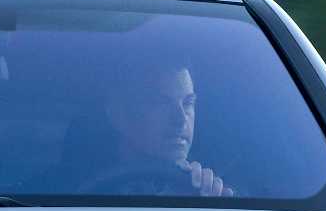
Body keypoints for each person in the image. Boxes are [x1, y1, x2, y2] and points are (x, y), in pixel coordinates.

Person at [79, 63, 233, 196]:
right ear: (118, 114)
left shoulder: (212, 192)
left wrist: (204, 203)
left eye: (188, 103)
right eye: (161, 103)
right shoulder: (73, 194)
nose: (180, 120)